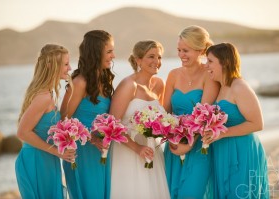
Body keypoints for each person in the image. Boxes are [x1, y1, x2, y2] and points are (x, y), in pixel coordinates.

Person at [203, 42, 269, 198]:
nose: (206, 66)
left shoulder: (240, 87)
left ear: (224, 62)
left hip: (242, 151)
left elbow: (258, 123)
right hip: (222, 150)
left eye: (210, 61)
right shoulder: (222, 87)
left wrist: (223, 133)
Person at [163, 25, 220, 199]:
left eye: (186, 50)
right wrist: (169, 136)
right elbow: (165, 112)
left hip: (198, 146)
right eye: (179, 50)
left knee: (191, 193)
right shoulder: (173, 74)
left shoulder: (208, 75)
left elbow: (205, 116)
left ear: (200, 50)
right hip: (173, 146)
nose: (181, 55)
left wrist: (188, 143)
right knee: (172, 192)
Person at [110, 40, 170, 199]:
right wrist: (137, 148)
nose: (157, 62)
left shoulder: (159, 84)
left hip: (153, 153)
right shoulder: (129, 85)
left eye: (159, 57)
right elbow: (112, 127)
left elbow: (162, 119)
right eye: (151, 56)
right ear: (138, 60)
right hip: (129, 153)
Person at [60, 30, 115, 199]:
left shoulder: (105, 80)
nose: (113, 55)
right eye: (109, 51)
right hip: (82, 153)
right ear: (96, 52)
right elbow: (64, 122)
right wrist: (92, 138)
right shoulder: (79, 82)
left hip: (101, 152)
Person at [15, 44, 75, 199]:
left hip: (46, 160)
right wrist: (57, 152)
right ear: (50, 65)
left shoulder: (48, 93)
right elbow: (22, 132)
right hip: (36, 162)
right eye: (66, 64)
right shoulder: (43, 97)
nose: (70, 68)